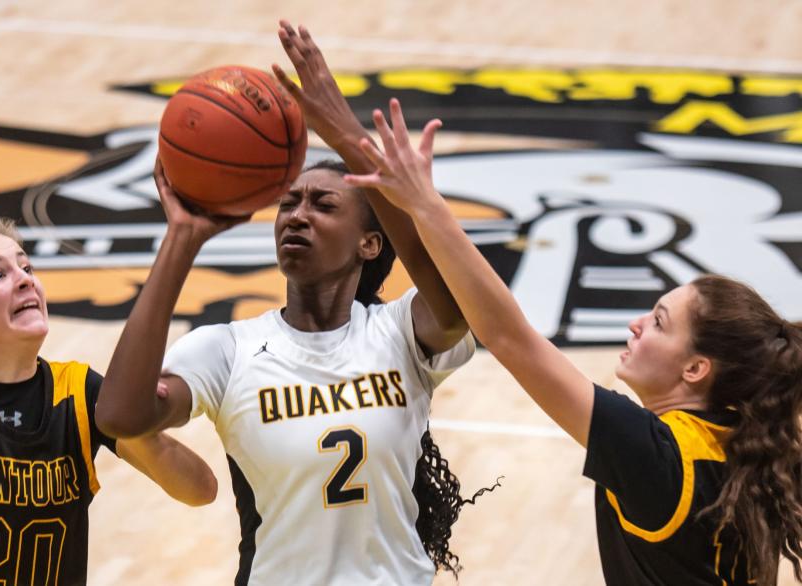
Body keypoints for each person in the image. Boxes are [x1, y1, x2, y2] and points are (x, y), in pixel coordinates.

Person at [342, 94, 802, 585]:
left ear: (696, 368)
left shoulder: (658, 457)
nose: (636, 325)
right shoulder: (748, 451)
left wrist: (426, 205)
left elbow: (507, 335)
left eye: (661, 323)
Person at [94, 22, 496, 583]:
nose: (298, 215)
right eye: (288, 203)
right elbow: (119, 416)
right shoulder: (227, 351)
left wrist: (350, 134)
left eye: (323, 205)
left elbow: (455, 308)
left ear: (369, 243)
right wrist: (181, 238)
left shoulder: (398, 331)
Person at [0, 53, 217, 586]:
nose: (23, 279)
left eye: (26, 266)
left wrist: (139, 427)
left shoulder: (77, 397)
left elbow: (199, 490)